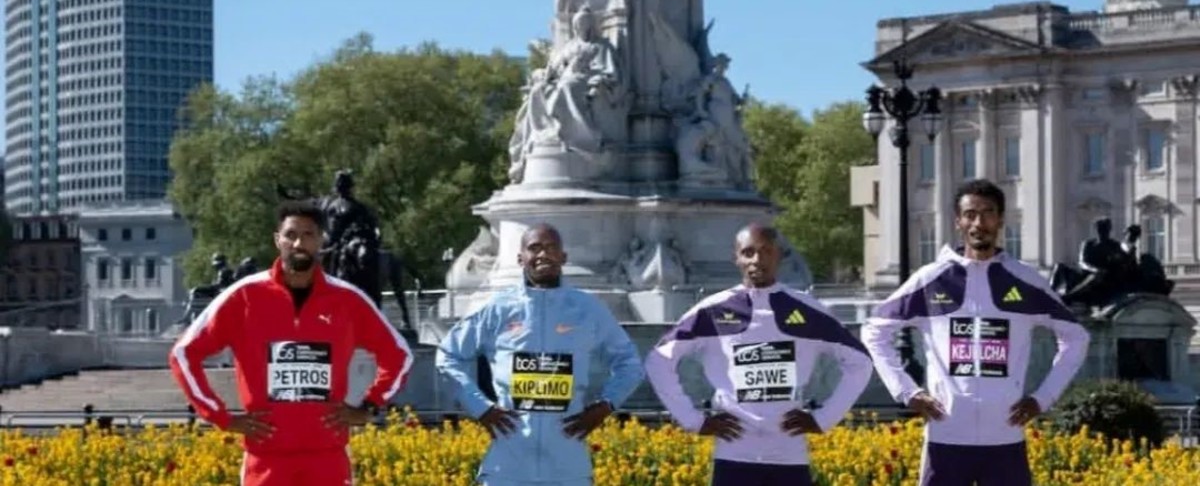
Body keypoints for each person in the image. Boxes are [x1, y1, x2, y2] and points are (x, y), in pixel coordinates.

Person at [862, 179, 1090, 486]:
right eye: (970, 214)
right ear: (958, 221)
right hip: (946, 435)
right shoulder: (932, 278)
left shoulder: (1025, 280)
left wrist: (1043, 398)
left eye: (988, 213)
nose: (979, 223)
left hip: (1005, 438)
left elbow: (1076, 337)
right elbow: (874, 331)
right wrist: (907, 392)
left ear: (1001, 219)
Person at [169, 200, 414, 486]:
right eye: (291, 235)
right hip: (266, 460)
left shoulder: (347, 299)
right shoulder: (244, 296)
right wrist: (221, 417)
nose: (299, 243)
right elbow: (183, 354)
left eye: (308, 235)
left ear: (321, 240)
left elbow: (400, 355)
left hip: (327, 459)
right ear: (278, 240)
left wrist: (369, 406)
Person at [644, 223, 873, 486]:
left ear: (779, 255)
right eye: (748, 252)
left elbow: (861, 362)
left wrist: (824, 418)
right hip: (733, 455)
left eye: (766, 251)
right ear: (736, 258)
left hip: (789, 456)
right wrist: (694, 421)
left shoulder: (808, 310)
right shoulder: (712, 310)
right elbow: (658, 360)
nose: (757, 260)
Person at [435, 224, 644, 486]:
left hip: (568, 466)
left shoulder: (588, 308)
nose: (543, 254)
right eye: (534, 248)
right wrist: (481, 407)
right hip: (508, 466)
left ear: (563, 257)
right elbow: (448, 356)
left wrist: (606, 406)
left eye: (551, 247)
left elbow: (630, 364)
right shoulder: (498, 308)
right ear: (520, 258)